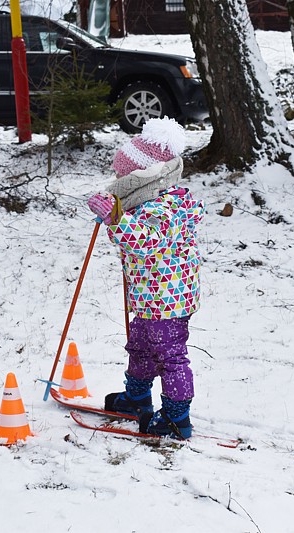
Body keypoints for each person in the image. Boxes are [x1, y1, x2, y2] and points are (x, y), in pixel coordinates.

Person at [86, 117, 204, 439]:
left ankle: (178, 417)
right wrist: (117, 219)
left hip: (169, 299)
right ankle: (137, 398)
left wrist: (116, 219)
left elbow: (146, 243)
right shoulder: (148, 202)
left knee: (170, 355)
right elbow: (128, 239)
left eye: (126, 177)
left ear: (145, 176)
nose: (121, 182)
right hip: (150, 296)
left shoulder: (167, 207)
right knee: (139, 345)